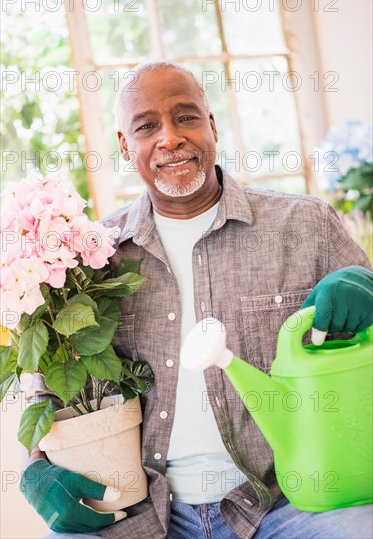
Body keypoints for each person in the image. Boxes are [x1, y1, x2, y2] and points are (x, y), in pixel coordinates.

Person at [20, 60, 373, 539]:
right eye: (147, 126)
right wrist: (36, 463)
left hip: (289, 502)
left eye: (186, 117)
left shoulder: (304, 225)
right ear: (125, 146)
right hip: (143, 514)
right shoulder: (90, 257)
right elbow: (50, 383)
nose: (170, 138)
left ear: (212, 126)